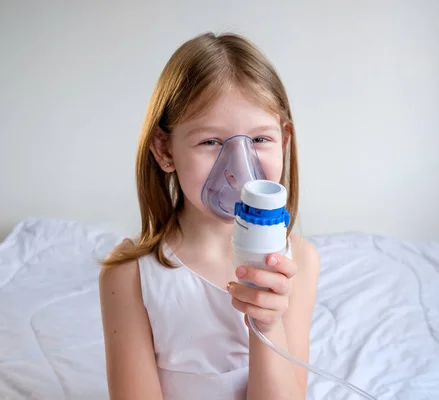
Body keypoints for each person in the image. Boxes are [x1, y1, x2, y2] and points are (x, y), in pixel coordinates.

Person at [99, 31, 321, 400]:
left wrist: (266, 323)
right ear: (165, 150)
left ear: (284, 141)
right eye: (211, 142)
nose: (239, 168)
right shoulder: (128, 275)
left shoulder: (299, 263)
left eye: (261, 140)